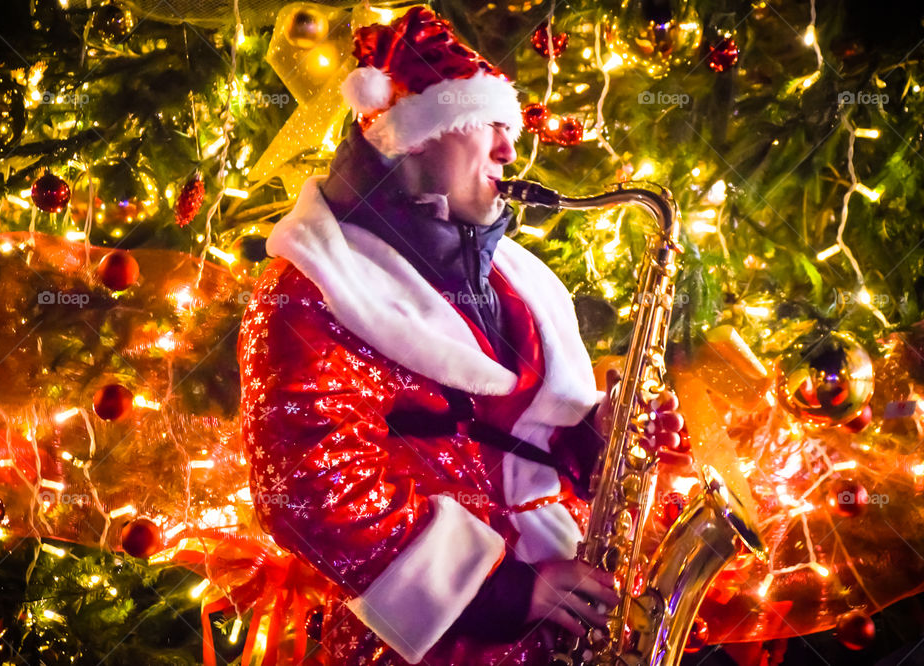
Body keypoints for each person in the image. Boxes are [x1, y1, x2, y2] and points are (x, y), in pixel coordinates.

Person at [238, 7, 683, 665]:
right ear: (419, 135)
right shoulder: (309, 289)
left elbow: (508, 430)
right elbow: (309, 488)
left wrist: (600, 436)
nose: (510, 151)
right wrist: (503, 591)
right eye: (491, 127)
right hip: (438, 648)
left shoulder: (503, 272)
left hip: (562, 623)